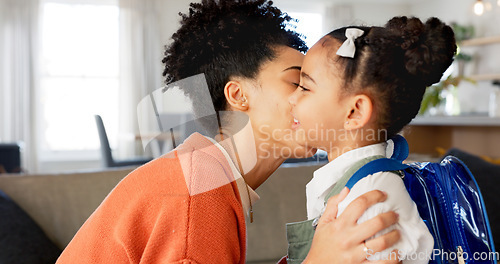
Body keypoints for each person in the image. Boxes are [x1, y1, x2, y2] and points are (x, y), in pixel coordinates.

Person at [56, 1, 402, 263]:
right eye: (298, 82)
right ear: (238, 95)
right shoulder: (197, 198)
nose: (311, 101)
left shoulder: (204, 175)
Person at [288, 16, 457, 263]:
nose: (292, 99)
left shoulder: (371, 196)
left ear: (355, 112)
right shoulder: (360, 183)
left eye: (304, 87)